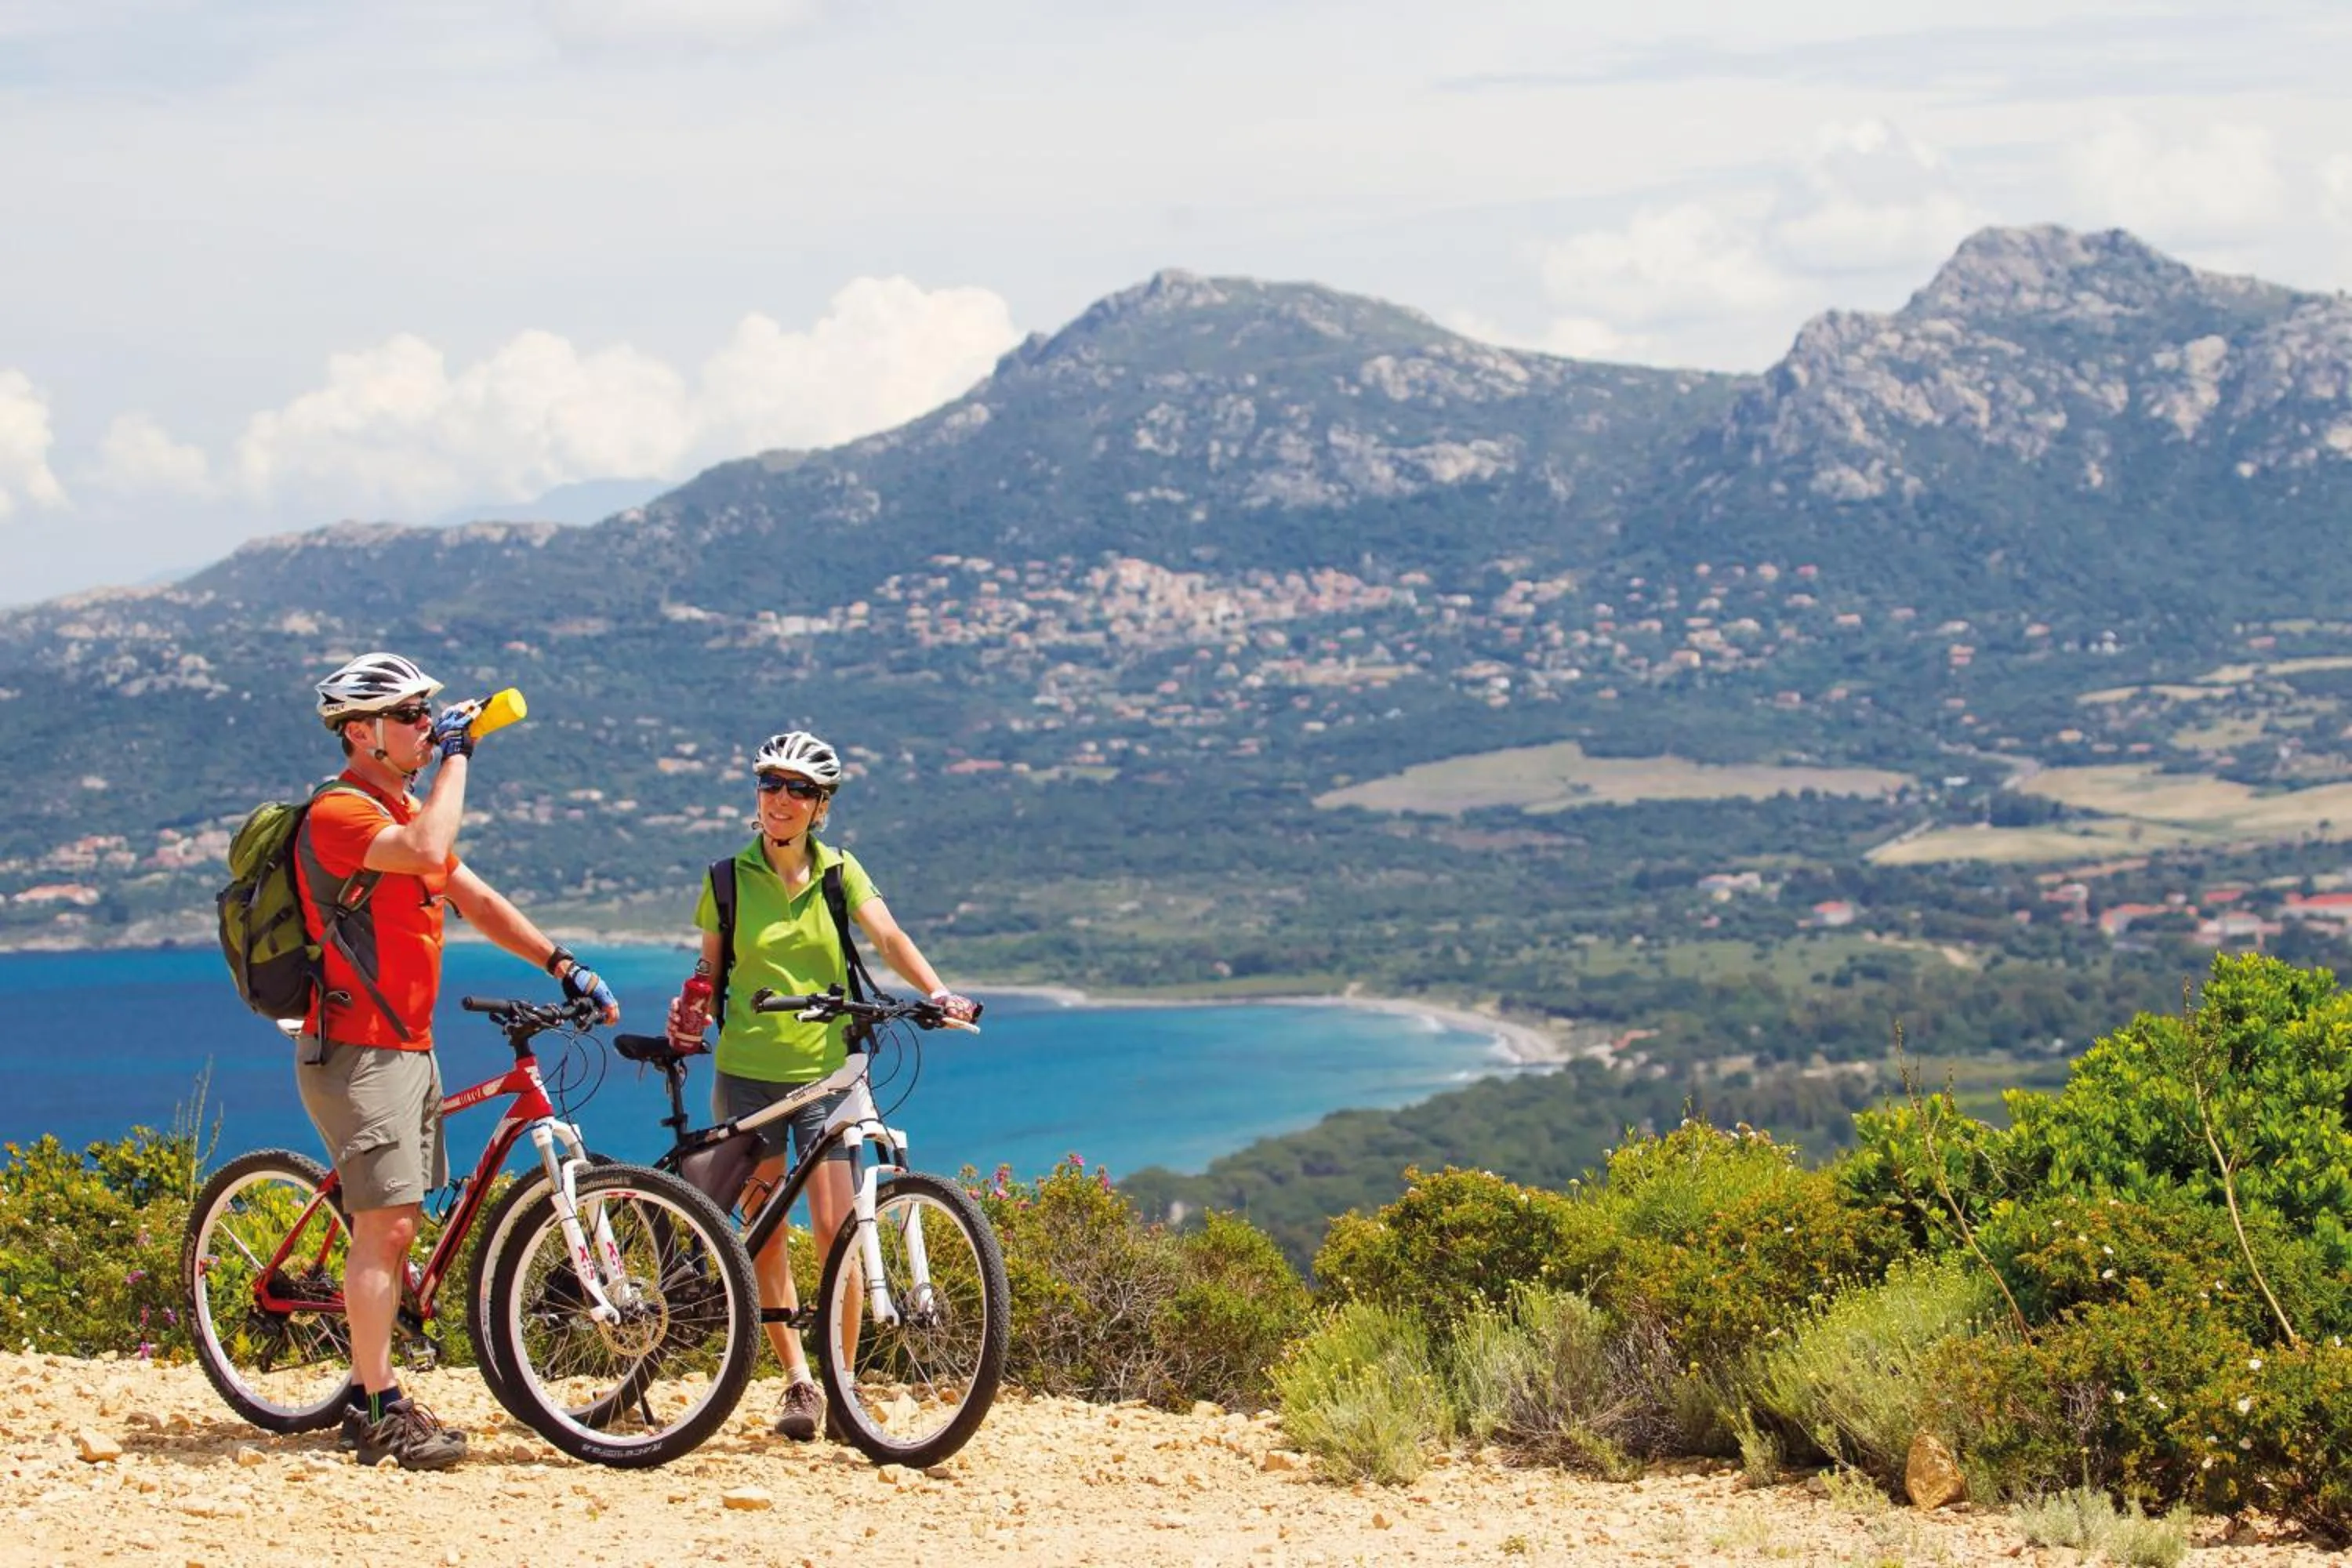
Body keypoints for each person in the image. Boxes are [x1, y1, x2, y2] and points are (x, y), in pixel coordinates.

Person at [296, 652, 621, 1471]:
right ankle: (374, 1408)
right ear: (362, 732)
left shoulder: (400, 809)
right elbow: (431, 842)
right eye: (410, 717)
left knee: (401, 1221)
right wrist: (462, 752)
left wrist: (562, 962)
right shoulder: (340, 814)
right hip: (356, 1051)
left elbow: (475, 897)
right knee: (389, 1223)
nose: (424, 727)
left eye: (427, 714)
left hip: (408, 1045)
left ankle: (377, 1355)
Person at [664, 729, 976, 1441]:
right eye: (771, 784)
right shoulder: (725, 879)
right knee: (766, 1231)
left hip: (827, 1074)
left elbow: (888, 937)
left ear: (821, 805)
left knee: (838, 1231)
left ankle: (843, 1381)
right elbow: (710, 973)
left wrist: (938, 991)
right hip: (747, 1077)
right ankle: (800, 1382)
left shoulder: (841, 874)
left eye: (798, 790)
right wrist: (688, 1012)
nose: (781, 799)